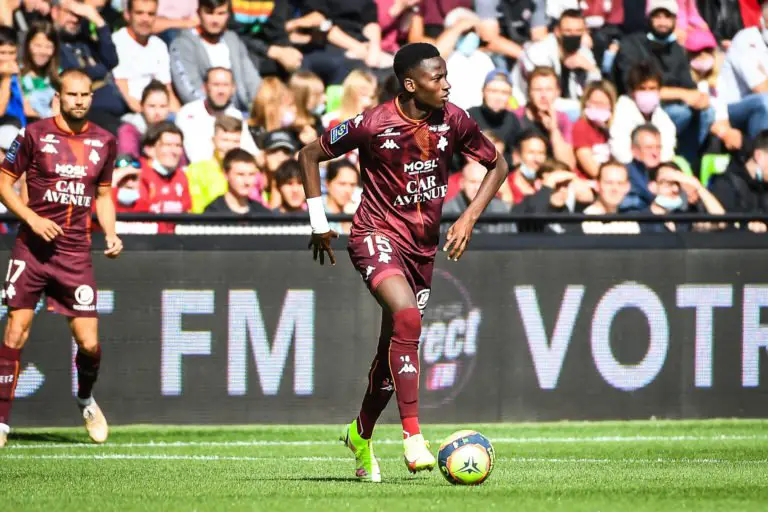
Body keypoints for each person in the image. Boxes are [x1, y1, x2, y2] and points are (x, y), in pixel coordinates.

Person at [298, 42, 508, 481]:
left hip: (421, 250)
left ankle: (359, 433)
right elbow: (309, 155)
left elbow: (498, 165)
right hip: (374, 235)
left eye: (446, 75)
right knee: (408, 318)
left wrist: (468, 217)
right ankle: (413, 436)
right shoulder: (373, 123)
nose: (447, 84)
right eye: (437, 77)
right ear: (411, 84)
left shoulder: (454, 119)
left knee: (392, 354)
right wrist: (319, 223)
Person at [0, 69, 123, 448]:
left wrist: (111, 232)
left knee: (89, 344)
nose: (79, 101)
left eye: (85, 95)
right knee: (16, 330)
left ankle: (85, 400)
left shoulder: (105, 141)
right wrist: (32, 219)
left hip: (74, 254)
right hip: (32, 250)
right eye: (72, 94)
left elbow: (103, 195)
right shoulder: (33, 134)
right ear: (59, 96)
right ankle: (1, 421)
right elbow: (3, 184)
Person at [169, 0, 261, 113]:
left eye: (221, 13)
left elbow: (252, 81)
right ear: (198, 13)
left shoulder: (232, 40)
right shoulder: (183, 44)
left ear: (229, 15)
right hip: (203, 114)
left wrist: (262, 104)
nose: (215, 20)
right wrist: (221, 112)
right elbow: (189, 90)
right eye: (209, 13)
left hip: (241, 112)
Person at [52, 0, 125, 133]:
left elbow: (112, 60)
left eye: (79, 15)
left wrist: (98, 21)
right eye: (70, 13)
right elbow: (75, 74)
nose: (75, 20)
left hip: (113, 108)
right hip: (87, 111)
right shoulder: (51, 42)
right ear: (55, 12)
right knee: (123, 133)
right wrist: (102, 69)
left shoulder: (82, 40)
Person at [511, 9, 602, 106]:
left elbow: (596, 91)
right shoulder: (538, 51)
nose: (573, 35)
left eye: (578, 31)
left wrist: (590, 68)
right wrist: (577, 107)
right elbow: (544, 95)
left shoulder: (583, 52)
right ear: (557, 31)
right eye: (568, 31)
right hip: (523, 103)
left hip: (565, 105)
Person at [111, 0, 180, 114]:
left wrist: (182, 117)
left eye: (151, 14)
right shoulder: (116, 43)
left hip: (160, 112)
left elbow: (168, 92)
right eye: (139, 13)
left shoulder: (159, 45)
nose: (145, 19)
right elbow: (125, 94)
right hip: (132, 113)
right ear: (127, 14)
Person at [175, 67, 256, 163]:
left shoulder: (235, 115)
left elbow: (250, 151)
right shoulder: (188, 113)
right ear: (204, 88)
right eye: (216, 85)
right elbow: (196, 157)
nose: (221, 91)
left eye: (225, 85)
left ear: (233, 89)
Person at [610, 62, 677, 165]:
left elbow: (668, 150)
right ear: (632, 91)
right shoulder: (621, 113)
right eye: (642, 88)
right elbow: (620, 152)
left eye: (652, 88)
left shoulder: (662, 117)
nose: (647, 93)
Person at [513, 66, 575, 169]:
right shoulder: (515, 117)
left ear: (557, 92)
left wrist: (554, 130)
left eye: (549, 90)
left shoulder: (562, 119)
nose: (543, 95)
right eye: (538, 90)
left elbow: (568, 165)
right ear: (529, 92)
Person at [710, 129, 768, 233]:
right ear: (758, 156)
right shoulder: (726, 184)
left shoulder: (764, 188)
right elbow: (722, 228)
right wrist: (747, 228)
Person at [644, 160, 725, 232]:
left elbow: (721, 222)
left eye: (677, 183)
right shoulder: (641, 221)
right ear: (653, 187)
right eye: (668, 183)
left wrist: (697, 185)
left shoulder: (685, 219)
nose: (675, 189)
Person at [187, 115, 243, 213]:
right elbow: (196, 210)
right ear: (213, 141)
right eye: (225, 140)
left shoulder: (246, 172)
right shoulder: (196, 171)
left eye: (236, 141)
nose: (230, 147)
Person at [442, 158, 513, 234]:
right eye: (472, 182)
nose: (477, 188)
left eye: (482, 183)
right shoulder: (447, 212)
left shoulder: (501, 210)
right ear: (462, 183)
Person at [468, 70, 521, 167]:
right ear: (483, 92)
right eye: (493, 91)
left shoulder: (512, 121)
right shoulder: (469, 117)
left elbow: (517, 158)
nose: (498, 98)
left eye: (504, 93)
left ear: (510, 96)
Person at [204, 149, 271, 215]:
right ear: (225, 174)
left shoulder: (262, 214)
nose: (247, 181)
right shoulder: (212, 214)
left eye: (251, 174)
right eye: (240, 174)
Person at [117, 80, 171, 160]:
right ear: (142, 106)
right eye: (152, 106)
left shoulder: (172, 131)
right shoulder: (128, 130)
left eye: (163, 106)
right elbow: (127, 161)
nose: (157, 112)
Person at [581, 160, 639, 234]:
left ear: (627, 187)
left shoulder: (630, 224)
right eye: (609, 183)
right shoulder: (585, 221)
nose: (615, 189)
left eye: (620, 183)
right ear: (597, 185)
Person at [573, 81, 616, 178]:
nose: (599, 108)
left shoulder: (605, 131)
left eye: (603, 104)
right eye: (595, 103)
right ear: (586, 103)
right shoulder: (581, 127)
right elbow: (593, 170)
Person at [19, 21, 60, 120]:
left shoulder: (59, 75)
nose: (42, 52)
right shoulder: (18, 75)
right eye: (37, 45)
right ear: (28, 45)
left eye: (48, 47)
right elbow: (27, 110)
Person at [0, 26, 31, 127]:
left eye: (12, 53)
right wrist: (6, 78)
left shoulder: (18, 72)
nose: (7, 58)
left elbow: (26, 106)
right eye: (2, 53)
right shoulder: (8, 75)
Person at [322, 157, 359, 234]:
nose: (348, 190)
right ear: (327, 184)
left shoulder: (357, 214)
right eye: (342, 184)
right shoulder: (315, 210)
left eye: (352, 185)